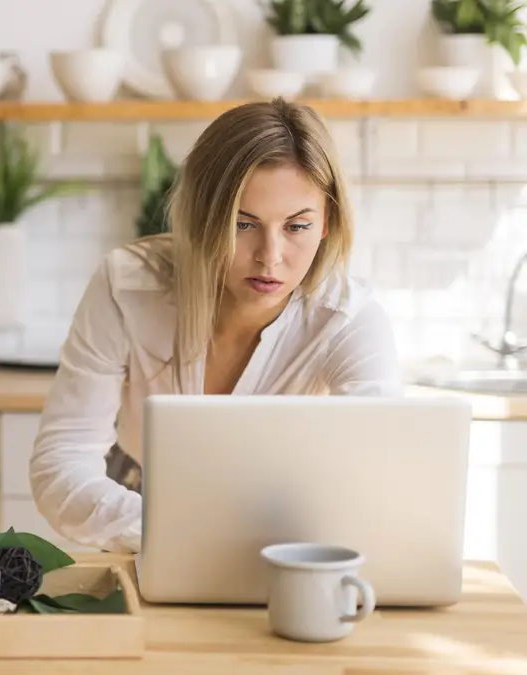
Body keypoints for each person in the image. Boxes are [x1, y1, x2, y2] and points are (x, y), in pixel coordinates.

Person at [29, 98, 402, 554]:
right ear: (204, 219)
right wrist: (172, 533)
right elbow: (61, 459)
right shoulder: (128, 287)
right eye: (243, 224)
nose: (270, 256)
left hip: (287, 532)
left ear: (327, 223)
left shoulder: (347, 319)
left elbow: (382, 471)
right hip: (136, 510)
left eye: (296, 226)